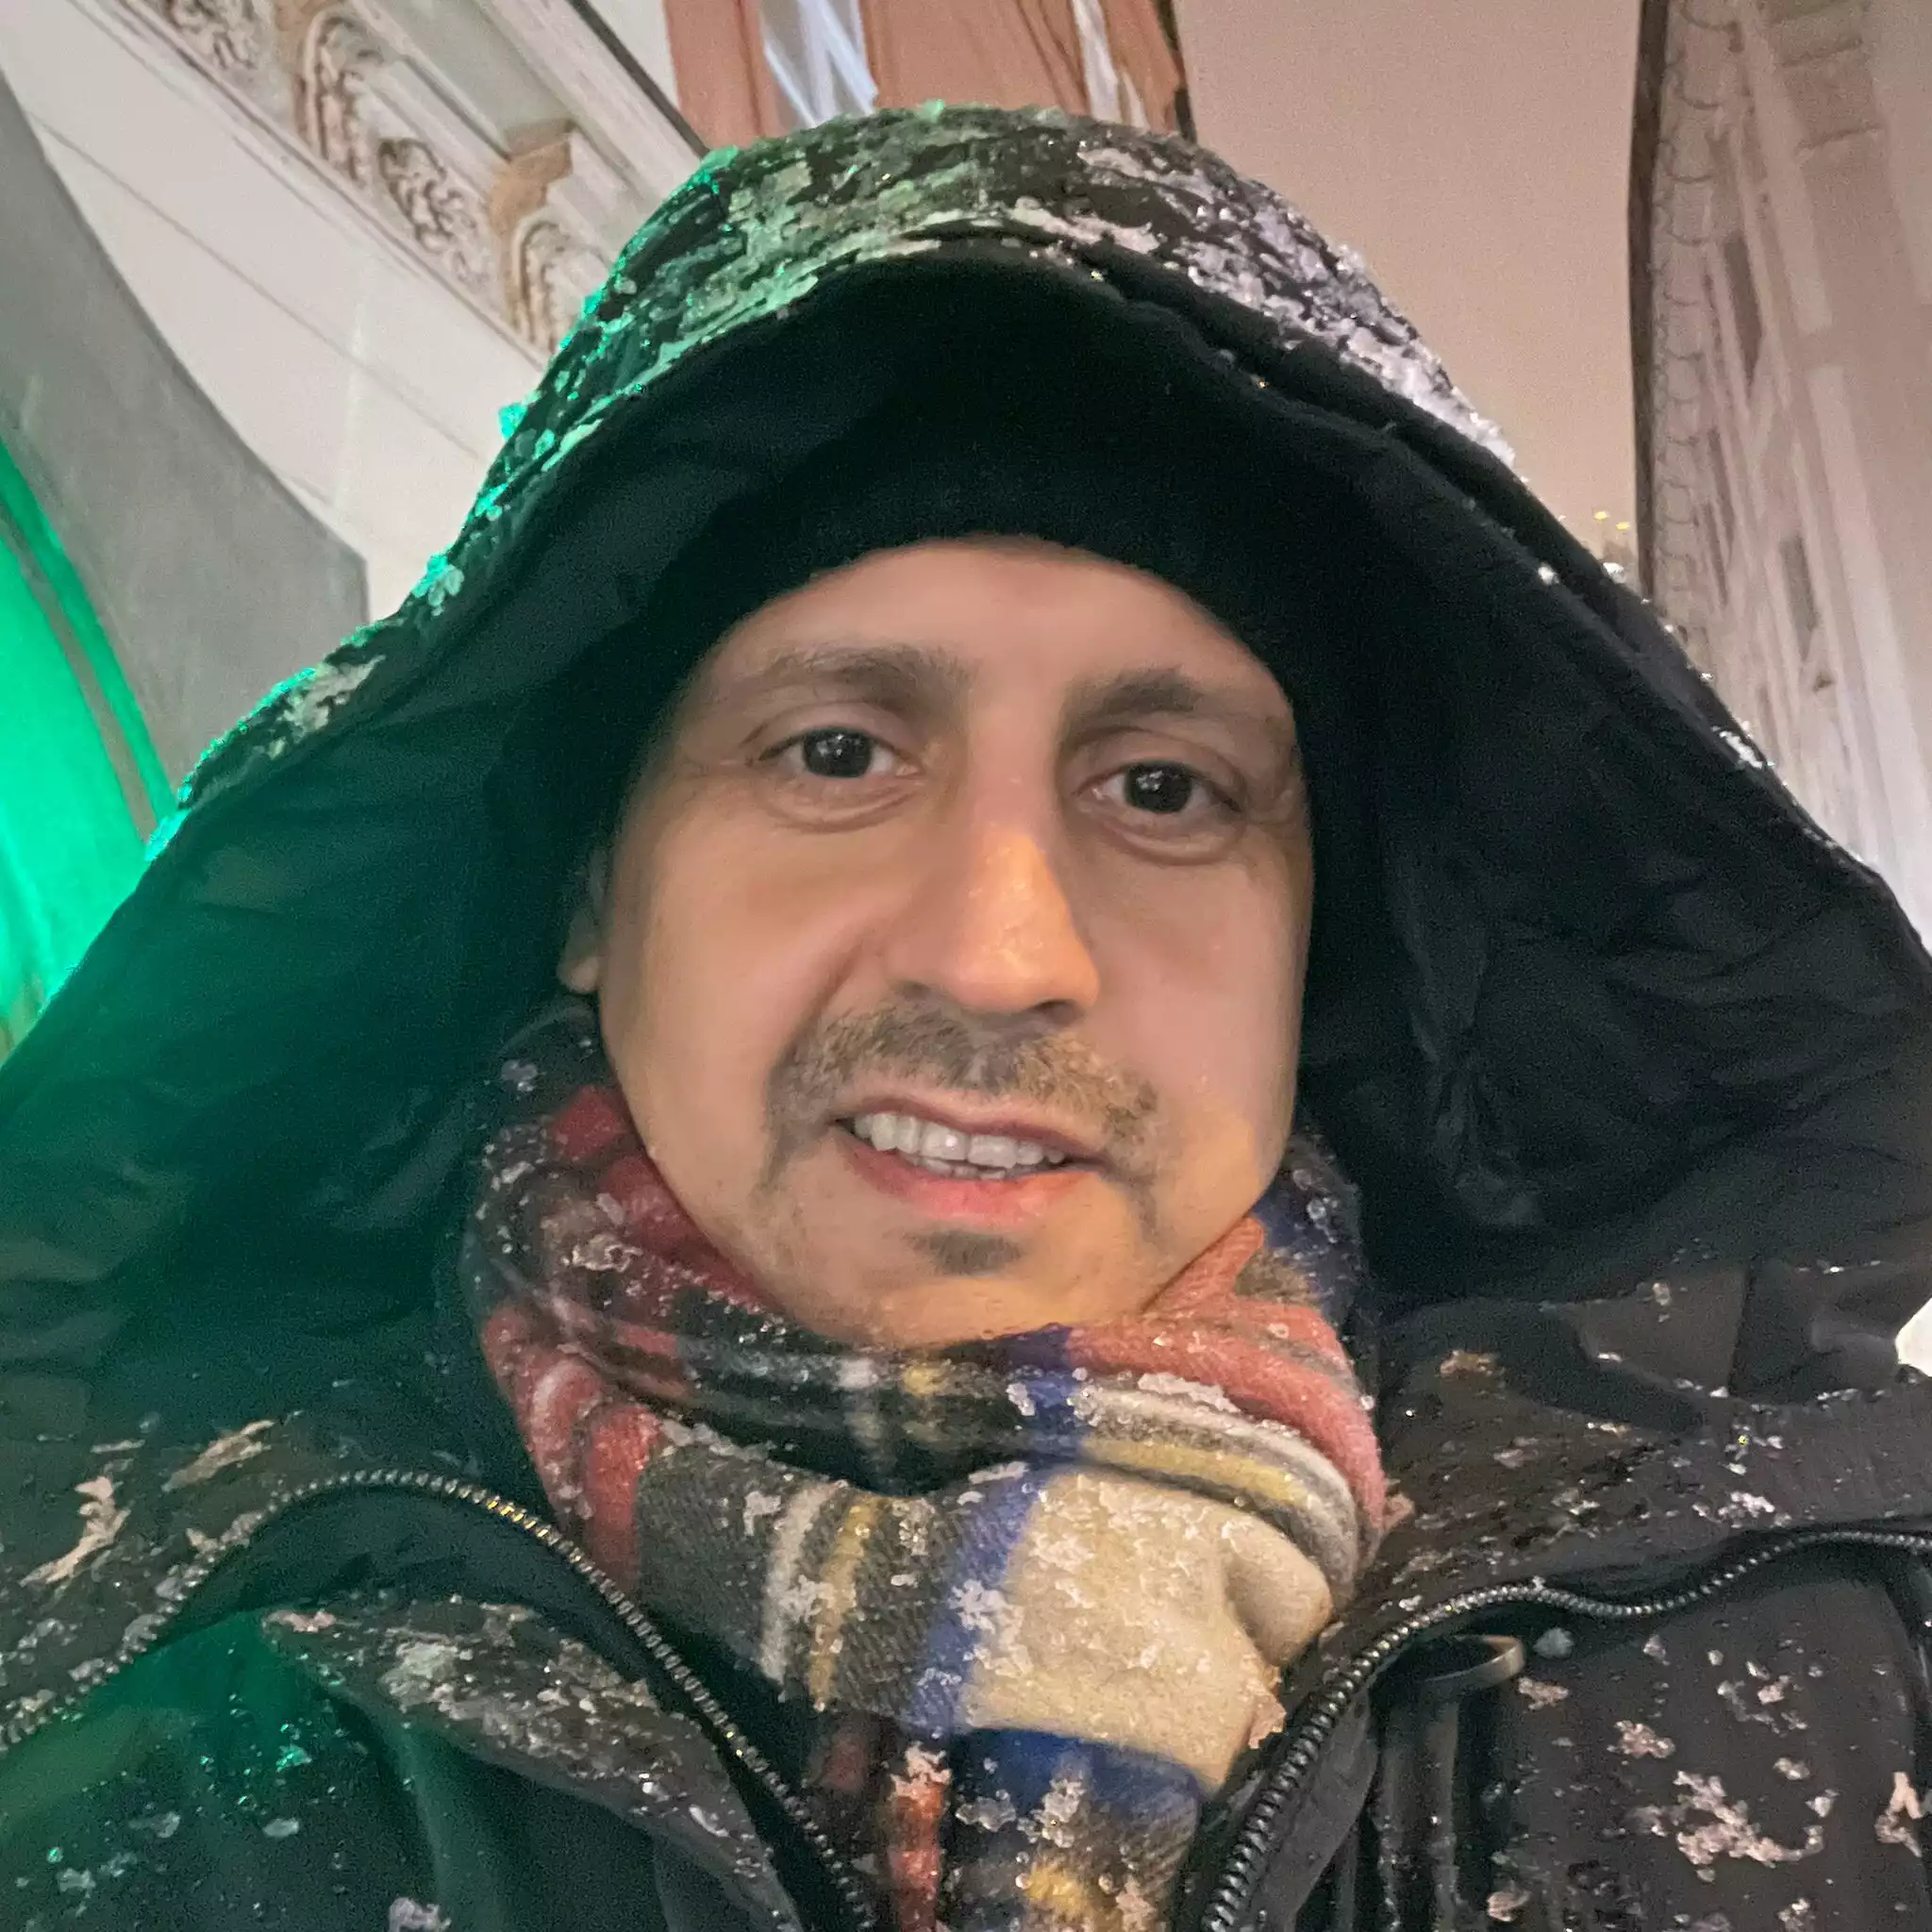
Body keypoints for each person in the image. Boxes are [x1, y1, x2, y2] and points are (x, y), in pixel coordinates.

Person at [4, 105, 1932, 1932]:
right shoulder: (122, 1691)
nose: (1001, 952)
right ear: (591, 889)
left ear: (1318, 944)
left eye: (1162, 789)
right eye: (837, 752)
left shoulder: (1853, 1662)